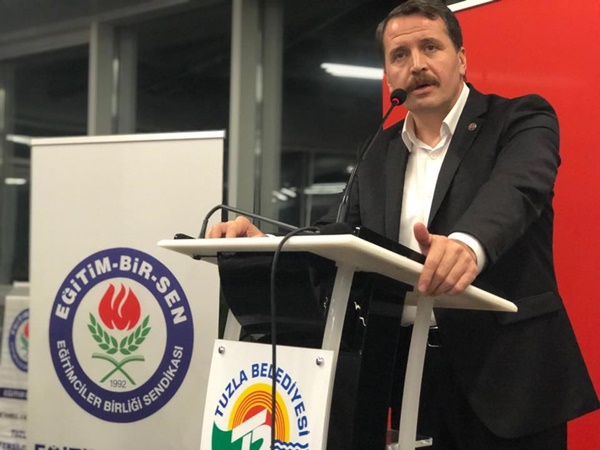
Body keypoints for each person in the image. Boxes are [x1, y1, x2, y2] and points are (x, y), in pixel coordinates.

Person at [207, 0, 599, 448]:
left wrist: (467, 244)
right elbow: (337, 230)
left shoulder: (520, 120)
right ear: (388, 75)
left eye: (431, 47)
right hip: (410, 375)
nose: (416, 65)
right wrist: (271, 242)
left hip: (510, 377)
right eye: (400, 55)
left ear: (461, 59)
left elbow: (517, 190)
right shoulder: (380, 149)